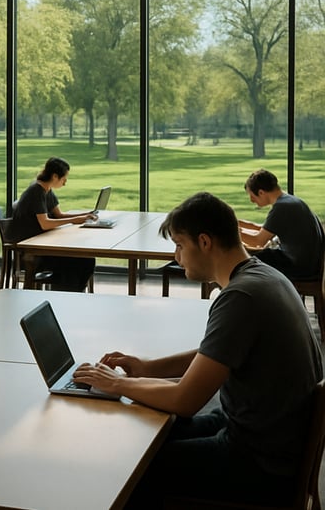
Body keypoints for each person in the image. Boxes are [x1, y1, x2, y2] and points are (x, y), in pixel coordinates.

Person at [73, 192, 323, 508]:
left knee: (127, 468)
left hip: (258, 463)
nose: (177, 256)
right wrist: (147, 368)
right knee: (145, 430)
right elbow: (214, 353)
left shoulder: (240, 298)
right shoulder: (264, 276)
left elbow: (186, 400)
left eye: (180, 245)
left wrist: (116, 383)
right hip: (265, 435)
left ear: (204, 242)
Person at [11, 157, 97, 292]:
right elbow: (45, 224)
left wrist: (84, 215)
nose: (65, 183)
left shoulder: (47, 190)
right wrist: (74, 220)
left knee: (87, 259)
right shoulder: (36, 191)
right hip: (32, 250)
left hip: (42, 242)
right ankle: (67, 294)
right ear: (55, 176)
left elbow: (59, 215)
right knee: (80, 260)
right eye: (64, 179)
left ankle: (73, 293)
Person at [238, 168, 324, 279]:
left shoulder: (281, 207)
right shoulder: (289, 201)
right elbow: (263, 229)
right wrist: (237, 223)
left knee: (243, 260)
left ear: (261, 192)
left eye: (252, 196)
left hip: (298, 267)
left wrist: (229, 231)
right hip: (307, 263)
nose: (251, 200)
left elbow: (258, 241)